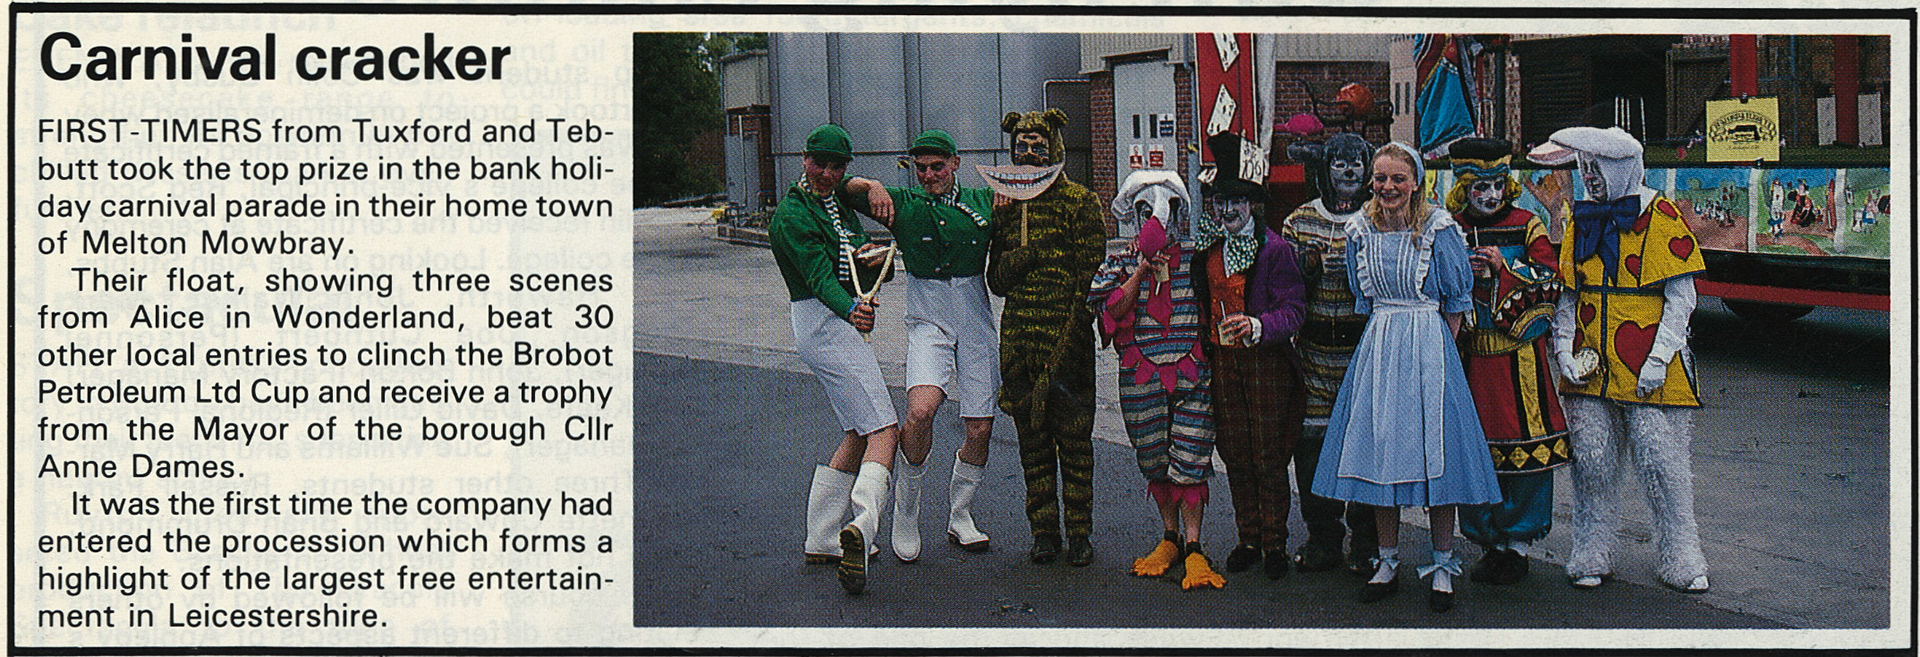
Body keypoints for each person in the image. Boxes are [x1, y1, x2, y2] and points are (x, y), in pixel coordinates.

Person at [1311, 142, 1502, 613]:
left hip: (1429, 345)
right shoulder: (1360, 230)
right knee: (1382, 452)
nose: (1388, 187)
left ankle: (1442, 564)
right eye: (1381, 178)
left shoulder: (1438, 228)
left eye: (1398, 178)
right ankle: (1387, 559)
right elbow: (1364, 298)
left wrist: (1440, 353)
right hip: (1381, 343)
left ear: (1416, 181)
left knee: (1437, 457)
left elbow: (1457, 301)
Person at [1528, 126, 1711, 593]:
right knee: (1591, 460)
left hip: (1648, 357)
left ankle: (1681, 551)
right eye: (1583, 167)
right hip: (1591, 360)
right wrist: (1563, 351)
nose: (1589, 177)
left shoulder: (1661, 216)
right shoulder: (1581, 219)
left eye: (1597, 167)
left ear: (1622, 167)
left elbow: (1682, 296)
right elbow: (1569, 294)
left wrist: (1660, 357)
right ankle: (1591, 547)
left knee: (1660, 460)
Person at [841, 130, 998, 562]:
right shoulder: (903, 204)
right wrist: (872, 184)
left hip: (975, 317)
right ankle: (906, 511)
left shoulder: (983, 201)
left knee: (980, 428)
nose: (928, 176)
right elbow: (842, 188)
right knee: (920, 412)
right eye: (921, 168)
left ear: (955, 163)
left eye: (937, 167)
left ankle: (960, 515)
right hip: (928, 319)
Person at [771, 124, 899, 595]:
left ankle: (822, 538)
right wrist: (851, 309)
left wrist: (874, 189)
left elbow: (855, 248)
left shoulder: (835, 198)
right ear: (803, 158)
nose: (826, 173)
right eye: (819, 163)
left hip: (835, 321)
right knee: (885, 429)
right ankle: (862, 526)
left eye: (837, 166)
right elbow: (819, 278)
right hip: (823, 321)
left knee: (858, 431)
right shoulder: (792, 215)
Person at [1444, 137, 1573, 586]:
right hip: (1470, 359)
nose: (1491, 195)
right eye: (1480, 187)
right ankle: (1488, 543)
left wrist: (1504, 269)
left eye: (1498, 185)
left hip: (1520, 362)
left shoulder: (1527, 224)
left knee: (1526, 448)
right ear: (1464, 187)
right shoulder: (1450, 228)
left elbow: (1552, 281)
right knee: (1473, 452)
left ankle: (1517, 546)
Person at [1087, 170, 1223, 590]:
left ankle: (1195, 546)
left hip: (1192, 374)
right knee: (1153, 456)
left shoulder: (1198, 256)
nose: (1157, 220)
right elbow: (1109, 311)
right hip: (1140, 376)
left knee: (1192, 457)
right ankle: (1170, 539)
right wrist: (1141, 270)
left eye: (1167, 211)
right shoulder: (1119, 262)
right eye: (1145, 212)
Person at [986, 109, 1107, 567]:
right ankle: (1044, 532)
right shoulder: (1006, 206)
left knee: (1075, 445)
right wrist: (1018, 254)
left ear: (1054, 146)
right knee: (1032, 447)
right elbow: (996, 281)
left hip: (1067, 341)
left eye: (1038, 144)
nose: (1029, 153)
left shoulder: (1080, 202)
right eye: (1022, 145)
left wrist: (1071, 336)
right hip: (1020, 343)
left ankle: (1080, 532)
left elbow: (1092, 278)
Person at [1193, 133, 1309, 582]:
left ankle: (1275, 542)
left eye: (1237, 201)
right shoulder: (1207, 248)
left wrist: (1259, 325)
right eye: (1221, 201)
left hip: (1265, 364)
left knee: (1269, 454)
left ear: (1253, 205)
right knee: (1235, 452)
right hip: (1223, 364)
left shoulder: (1275, 249)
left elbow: (1294, 309)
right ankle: (1248, 539)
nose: (1228, 210)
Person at [1279, 133, 1378, 576]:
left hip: (1364, 353)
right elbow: (1284, 287)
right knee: (1313, 450)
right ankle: (1323, 536)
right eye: (1340, 162)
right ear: (1325, 169)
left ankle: (1368, 540)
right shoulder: (1300, 220)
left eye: (1357, 162)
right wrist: (1307, 268)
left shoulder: (1379, 217)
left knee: (1367, 447)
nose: (1350, 170)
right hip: (1315, 356)